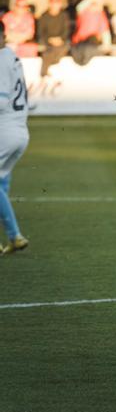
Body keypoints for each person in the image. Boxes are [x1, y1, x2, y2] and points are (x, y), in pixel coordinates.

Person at [0, 21, 30, 256]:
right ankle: (11, 238)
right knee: (2, 183)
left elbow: (1, 101)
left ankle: (15, 234)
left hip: (5, 130)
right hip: (20, 131)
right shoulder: (11, 56)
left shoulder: (0, 60)